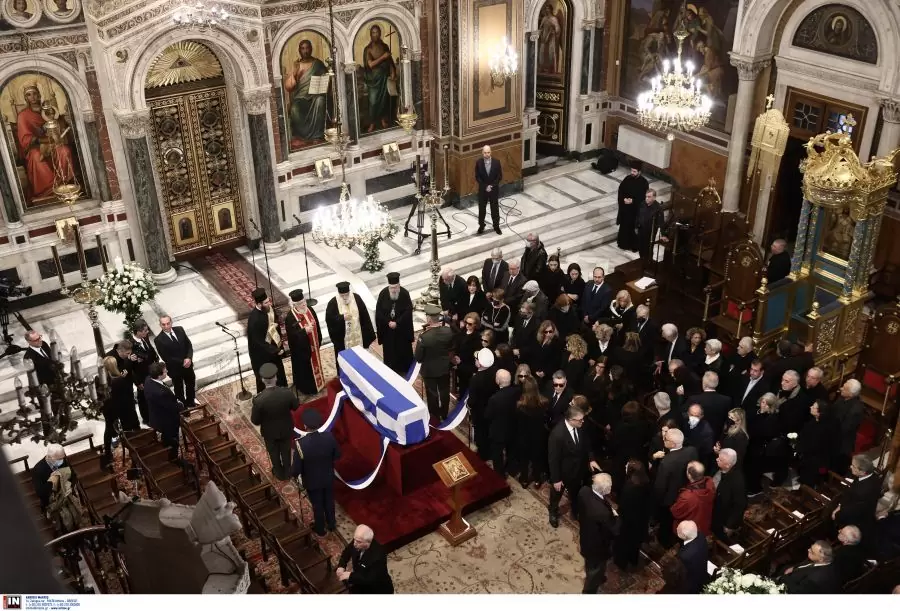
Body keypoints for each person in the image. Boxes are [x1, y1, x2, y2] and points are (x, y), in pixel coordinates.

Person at [16, 85, 75, 200]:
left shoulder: (49, 110)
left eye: (34, 93)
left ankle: (64, 183)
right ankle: (48, 190)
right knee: (36, 156)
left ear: (39, 95)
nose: (32, 97)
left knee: (65, 151)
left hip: (53, 143)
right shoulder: (23, 116)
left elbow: (58, 125)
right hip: (35, 147)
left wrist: (58, 126)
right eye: (29, 95)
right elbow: (25, 139)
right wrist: (42, 140)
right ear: (26, 98)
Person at [547, 403, 600, 528]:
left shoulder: (580, 425)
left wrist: (591, 459)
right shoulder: (557, 435)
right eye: (580, 420)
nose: (583, 421)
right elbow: (553, 459)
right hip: (563, 473)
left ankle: (575, 511)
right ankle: (553, 511)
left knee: (575, 493)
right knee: (556, 495)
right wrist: (556, 479)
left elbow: (586, 443)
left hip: (578, 470)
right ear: (571, 420)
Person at [292, 409, 340, 536]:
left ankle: (320, 529)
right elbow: (337, 455)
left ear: (305, 426)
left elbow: (296, 469)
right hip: (328, 477)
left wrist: (294, 475)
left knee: (317, 505)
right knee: (329, 501)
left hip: (312, 481)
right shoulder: (329, 437)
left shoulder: (300, 444)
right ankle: (331, 524)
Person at [251, 362, 298, 481]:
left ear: (263, 380)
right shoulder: (287, 393)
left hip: (269, 432)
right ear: (276, 377)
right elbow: (295, 407)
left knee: (273, 453)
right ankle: (288, 471)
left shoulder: (258, 400)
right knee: (286, 451)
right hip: (286, 429)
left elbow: (255, 421)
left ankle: (278, 472)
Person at [653, 428, 699, 547]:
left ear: (672, 444)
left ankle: (664, 543)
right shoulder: (692, 451)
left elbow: (660, 487)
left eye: (666, 439)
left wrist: (657, 502)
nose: (663, 439)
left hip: (669, 499)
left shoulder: (666, 462)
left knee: (666, 523)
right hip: (685, 492)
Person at [577, 473, 619, 593]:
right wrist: (616, 516)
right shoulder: (603, 513)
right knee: (595, 569)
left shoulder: (584, 491)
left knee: (590, 564)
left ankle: (596, 577)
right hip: (597, 546)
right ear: (606, 490)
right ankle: (589, 591)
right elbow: (615, 529)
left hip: (585, 536)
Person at [284, 39, 328, 148]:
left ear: (311, 49)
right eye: (303, 48)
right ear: (299, 50)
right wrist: (294, 72)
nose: (305, 51)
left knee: (320, 101)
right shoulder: (297, 65)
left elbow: (327, 80)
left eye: (307, 48)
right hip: (301, 98)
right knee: (294, 108)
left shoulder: (318, 64)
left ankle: (317, 136)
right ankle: (301, 136)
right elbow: (289, 87)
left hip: (315, 96)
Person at [415, 304, 454, 422]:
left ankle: (434, 417)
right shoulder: (448, 331)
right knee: (444, 391)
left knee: (432, 393)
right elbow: (451, 348)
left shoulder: (424, 337)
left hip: (429, 370)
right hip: (444, 367)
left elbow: (418, 357)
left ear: (429, 319)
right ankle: (444, 414)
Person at [746, 392, 790, 494]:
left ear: (771, 406)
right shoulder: (754, 412)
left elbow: (767, 434)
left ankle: (755, 489)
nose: (764, 405)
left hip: (758, 447)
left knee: (754, 470)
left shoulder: (772, 418)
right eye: (763, 402)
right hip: (750, 443)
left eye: (767, 404)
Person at [284, 289, 325, 395]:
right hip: (302, 351)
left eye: (304, 302)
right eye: (300, 304)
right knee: (306, 370)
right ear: (295, 305)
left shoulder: (310, 309)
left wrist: (318, 340)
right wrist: (304, 332)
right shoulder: (291, 317)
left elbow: (317, 326)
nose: (303, 305)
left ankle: (319, 384)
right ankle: (308, 389)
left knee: (316, 365)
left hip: (314, 346)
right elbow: (292, 337)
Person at [613, 459, 652, 571]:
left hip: (628, 522)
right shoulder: (646, 482)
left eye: (627, 466)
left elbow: (623, 507)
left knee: (624, 544)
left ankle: (621, 563)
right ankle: (633, 560)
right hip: (641, 520)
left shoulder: (629, 488)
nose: (625, 467)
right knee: (635, 544)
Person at [832, 455, 882, 539]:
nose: (850, 467)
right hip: (858, 507)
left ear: (863, 472)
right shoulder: (873, 476)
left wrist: (836, 514)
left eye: (853, 466)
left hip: (855, 519)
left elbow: (850, 511)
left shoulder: (862, 492)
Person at [374, 273, 414, 377]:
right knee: (390, 351)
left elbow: (408, 311)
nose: (394, 290)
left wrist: (397, 323)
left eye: (396, 287)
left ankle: (404, 369)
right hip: (388, 330)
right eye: (391, 288)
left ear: (399, 285)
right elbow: (379, 312)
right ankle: (390, 369)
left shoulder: (404, 293)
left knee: (403, 349)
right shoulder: (383, 294)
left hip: (401, 330)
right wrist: (388, 322)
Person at [248, 288, 287, 392]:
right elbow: (258, 342)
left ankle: (282, 392)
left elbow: (273, 322)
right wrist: (275, 350)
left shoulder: (268, 309)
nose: (269, 304)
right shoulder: (254, 320)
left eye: (268, 301)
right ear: (259, 304)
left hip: (273, 348)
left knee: (279, 373)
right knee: (267, 377)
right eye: (266, 303)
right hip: (262, 354)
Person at [325, 282, 376, 361]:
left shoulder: (356, 298)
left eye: (346, 295)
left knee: (362, 358)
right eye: (342, 295)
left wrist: (369, 334)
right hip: (344, 340)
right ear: (339, 294)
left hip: (359, 336)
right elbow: (330, 320)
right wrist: (342, 318)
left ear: (349, 292)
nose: (345, 297)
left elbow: (365, 316)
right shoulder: (333, 302)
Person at [144, 362, 185, 461]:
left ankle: (166, 443)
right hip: (167, 421)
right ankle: (173, 459)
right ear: (159, 375)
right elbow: (171, 407)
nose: (166, 371)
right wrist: (181, 405)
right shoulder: (160, 393)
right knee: (173, 440)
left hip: (156, 414)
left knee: (167, 437)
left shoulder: (148, 379)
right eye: (164, 371)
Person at [336, 524, 394, 593]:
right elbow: (347, 551)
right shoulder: (358, 540)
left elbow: (370, 578)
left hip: (376, 588)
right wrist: (341, 565)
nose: (354, 544)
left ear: (368, 542)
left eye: (358, 542)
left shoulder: (378, 556)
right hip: (360, 582)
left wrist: (350, 575)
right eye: (354, 540)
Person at [99, 355, 133, 470]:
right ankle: (130, 448)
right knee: (125, 428)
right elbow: (125, 394)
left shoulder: (99, 379)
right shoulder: (119, 380)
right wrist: (123, 378)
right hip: (118, 409)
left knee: (108, 429)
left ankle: (107, 452)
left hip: (107, 408)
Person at [485, 369, 520, 477]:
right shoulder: (517, 392)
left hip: (498, 432)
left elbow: (488, 416)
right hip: (513, 428)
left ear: (498, 381)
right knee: (512, 451)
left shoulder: (494, 399)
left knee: (497, 455)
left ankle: (499, 475)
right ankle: (512, 470)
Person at [155, 315, 196, 407]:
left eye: (168, 323)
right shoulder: (158, 340)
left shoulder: (180, 330)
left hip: (188, 364)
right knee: (179, 389)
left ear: (171, 322)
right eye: (163, 324)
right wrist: (183, 362)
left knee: (190, 384)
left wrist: (189, 358)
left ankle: (191, 402)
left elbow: (189, 345)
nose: (166, 326)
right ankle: (183, 407)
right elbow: (166, 357)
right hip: (175, 369)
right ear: (160, 325)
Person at [361, 25, 396, 133]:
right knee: (373, 102)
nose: (375, 35)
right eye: (373, 32)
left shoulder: (385, 46)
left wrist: (393, 71)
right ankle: (372, 123)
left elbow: (390, 60)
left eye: (377, 32)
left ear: (380, 33)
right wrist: (383, 57)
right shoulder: (368, 49)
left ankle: (382, 120)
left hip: (384, 78)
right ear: (370, 34)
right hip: (373, 80)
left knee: (383, 100)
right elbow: (370, 65)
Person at [516, 376, 549, 488]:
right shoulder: (544, 403)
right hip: (538, 436)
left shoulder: (520, 406)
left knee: (524, 459)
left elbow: (518, 424)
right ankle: (537, 480)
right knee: (537, 459)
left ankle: (524, 479)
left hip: (524, 437)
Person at [796, 401, 839, 487]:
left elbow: (814, 445)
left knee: (809, 480)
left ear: (820, 412)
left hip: (816, 462)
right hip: (810, 458)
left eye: (813, 407)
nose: (810, 407)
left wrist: (799, 446)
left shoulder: (824, 428)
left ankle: (806, 490)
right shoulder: (816, 420)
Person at [468, 348, 499, 460]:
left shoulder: (475, 379)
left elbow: (472, 400)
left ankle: (483, 455)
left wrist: (468, 405)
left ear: (480, 363)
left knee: (481, 434)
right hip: (492, 409)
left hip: (480, 412)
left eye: (476, 359)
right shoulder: (495, 372)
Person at [670, 461, 715, 536]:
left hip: (688, 531)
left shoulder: (687, 496)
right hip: (703, 526)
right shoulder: (710, 485)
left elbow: (675, 512)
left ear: (689, 475)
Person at [712, 448, 746, 543]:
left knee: (721, 538)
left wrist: (729, 525)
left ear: (727, 465)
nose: (717, 459)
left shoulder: (736, 481)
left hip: (724, 517)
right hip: (716, 510)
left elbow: (740, 505)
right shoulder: (723, 469)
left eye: (720, 460)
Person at [130, 319, 160, 426]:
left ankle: (155, 414)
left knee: (153, 395)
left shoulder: (145, 338)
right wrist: (137, 382)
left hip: (151, 373)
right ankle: (146, 419)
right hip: (141, 378)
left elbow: (151, 351)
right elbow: (130, 368)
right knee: (143, 399)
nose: (147, 332)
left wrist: (156, 361)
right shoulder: (130, 345)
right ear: (138, 332)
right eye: (145, 330)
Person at [831, 379, 865, 475]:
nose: (841, 388)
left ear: (851, 394)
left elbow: (844, 429)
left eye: (844, 388)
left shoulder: (856, 410)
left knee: (835, 466)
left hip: (841, 443)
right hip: (833, 433)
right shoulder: (843, 397)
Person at [685, 371, 730, 438]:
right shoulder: (726, 400)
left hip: (697, 437)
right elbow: (727, 421)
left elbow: (685, 418)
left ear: (704, 383)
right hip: (717, 437)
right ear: (717, 383)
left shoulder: (693, 399)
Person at [617, 159, 648, 252]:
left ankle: (633, 245)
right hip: (626, 209)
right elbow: (621, 190)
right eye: (631, 170)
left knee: (633, 228)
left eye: (634, 171)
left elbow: (643, 197)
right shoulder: (627, 179)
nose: (632, 173)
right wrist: (623, 199)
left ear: (639, 172)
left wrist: (633, 201)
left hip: (635, 211)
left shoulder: (644, 183)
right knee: (624, 226)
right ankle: (623, 244)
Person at [32, 444, 71, 513]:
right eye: (59, 459)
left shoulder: (62, 460)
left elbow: (72, 475)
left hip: (68, 499)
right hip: (52, 505)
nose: (61, 461)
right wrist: (52, 482)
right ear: (50, 457)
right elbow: (40, 493)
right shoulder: (38, 469)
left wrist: (69, 484)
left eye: (62, 458)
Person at [475, 145, 503, 235]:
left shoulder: (496, 162)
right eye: (485, 153)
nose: (487, 154)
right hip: (483, 190)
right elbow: (477, 177)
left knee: (494, 208)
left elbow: (499, 176)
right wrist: (485, 186)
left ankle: (496, 226)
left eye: (488, 152)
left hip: (493, 190)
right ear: (482, 153)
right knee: (482, 209)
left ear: (491, 152)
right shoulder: (479, 162)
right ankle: (481, 225)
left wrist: (491, 186)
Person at [454, 312, 484, 394]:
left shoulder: (477, 337)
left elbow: (475, 354)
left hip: (469, 366)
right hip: (459, 363)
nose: (467, 325)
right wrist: (456, 357)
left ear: (475, 325)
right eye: (466, 322)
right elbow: (457, 345)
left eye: (470, 324)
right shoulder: (462, 331)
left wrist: (461, 360)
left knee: (466, 387)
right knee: (461, 385)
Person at [676, 520, 709, 594]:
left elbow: (682, 573)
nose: (677, 528)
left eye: (678, 529)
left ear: (684, 536)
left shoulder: (685, 555)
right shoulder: (701, 535)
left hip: (693, 584)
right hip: (703, 570)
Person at [683, 404, 715, 473]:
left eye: (697, 416)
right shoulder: (684, 421)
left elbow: (707, 451)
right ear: (688, 413)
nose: (693, 418)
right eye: (691, 415)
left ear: (701, 416)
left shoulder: (707, 432)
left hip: (697, 460)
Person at [636, 188, 664, 260]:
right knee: (641, 248)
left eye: (649, 197)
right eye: (646, 196)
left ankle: (648, 262)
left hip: (650, 233)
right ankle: (642, 260)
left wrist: (663, 234)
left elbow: (661, 222)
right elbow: (638, 215)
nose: (646, 198)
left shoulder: (658, 208)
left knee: (648, 249)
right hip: (641, 230)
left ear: (654, 197)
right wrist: (636, 226)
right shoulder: (642, 204)